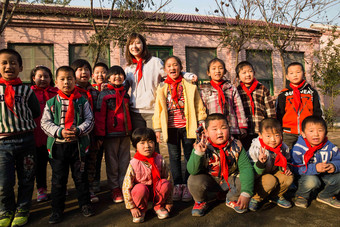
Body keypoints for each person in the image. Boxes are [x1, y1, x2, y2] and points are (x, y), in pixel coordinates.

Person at [41, 66, 95, 224]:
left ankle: (84, 204)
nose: (66, 82)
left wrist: (78, 130)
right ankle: (57, 210)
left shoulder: (82, 101)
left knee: (81, 177)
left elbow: (90, 120)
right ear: (56, 82)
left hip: (78, 146)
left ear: (75, 80)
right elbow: (45, 123)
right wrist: (59, 132)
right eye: (62, 79)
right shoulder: (51, 103)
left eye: (70, 79)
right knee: (58, 180)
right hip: (59, 146)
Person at [152, 56, 207, 202]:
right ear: (165, 70)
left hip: (188, 127)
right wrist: (157, 128)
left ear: (181, 68)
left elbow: (198, 104)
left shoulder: (189, 85)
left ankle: (189, 185)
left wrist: (202, 122)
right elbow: (158, 109)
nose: (172, 68)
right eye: (169, 66)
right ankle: (178, 185)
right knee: (174, 157)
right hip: (171, 128)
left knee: (189, 155)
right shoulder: (162, 87)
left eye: (175, 65)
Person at [0, 49, 40, 227]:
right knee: (4, 181)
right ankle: (5, 210)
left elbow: (35, 111)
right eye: (4, 63)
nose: (9, 66)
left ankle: (23, 208)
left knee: (26, 177)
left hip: (26, 140)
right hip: (2, 144)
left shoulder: (26, 90)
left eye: (13, 62)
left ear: (21, 67)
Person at [124, 33, 197, 131]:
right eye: (131, 44)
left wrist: (187, 75)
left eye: (138, 43)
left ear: (143, 45)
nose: (134, 46)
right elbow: (123, 87)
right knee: (139, 142)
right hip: (135, 112)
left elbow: (171, 74)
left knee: (153, 142)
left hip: (153, 110)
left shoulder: (155, 62)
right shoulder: (129, 68)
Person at [187, 113, 254, 217]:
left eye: (224, 128)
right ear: (206, 132)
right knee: (193, 179)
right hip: (210, 180)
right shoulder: (200, 145)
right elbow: (192, 170)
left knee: (244, 179)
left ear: (229, 128)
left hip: (229, 180)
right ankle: (200, 202)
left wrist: (246, 193)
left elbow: (246, 168)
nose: (220, 132)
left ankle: (231, 198)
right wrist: (198, 154)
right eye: (214, 129)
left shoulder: (237, 145)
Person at [95, 66, 132, 203]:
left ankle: (124, 185)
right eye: (114, 75)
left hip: (125, 134)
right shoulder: (104, 95)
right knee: (112, 162)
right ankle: (114, 188)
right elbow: (99, 116)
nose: (118, 77)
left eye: (120, 75)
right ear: (108, 78)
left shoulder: (125, 94)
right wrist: (100, 135)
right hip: (110, 135)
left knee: (124, 161)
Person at [122, 128, 173, 223]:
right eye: (142, 143)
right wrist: (132, 207)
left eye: (150, 142)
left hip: (157, 192)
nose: (147, 146)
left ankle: (158, 206)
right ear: (135, 145)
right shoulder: (133, 163)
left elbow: (169, 178)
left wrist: (169, 201)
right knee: (140, 188)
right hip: (141, 194)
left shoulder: (160, 159)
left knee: (165, 183)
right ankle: (141, 209)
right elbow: (126, 187)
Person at [291, 116, 340, 209]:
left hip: (325, 176)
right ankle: (302, 195)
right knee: (312, 181)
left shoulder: (330, 146)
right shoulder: (298, 148)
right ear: (303, 134)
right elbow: (295, 168)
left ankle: (326, 195)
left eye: (320, 130)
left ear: (326, 132)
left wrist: (334, 166)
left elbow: (339, 160)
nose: (316, 134)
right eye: (311, 131)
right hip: (305, 178)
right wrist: (315, 168)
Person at [248, 118, 293, 211]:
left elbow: (286, 160)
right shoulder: (256, 149)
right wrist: (260, 163)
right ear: (260, 135)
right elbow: (251, 173)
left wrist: (285, 167)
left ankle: (275, 196)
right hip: (258, 178)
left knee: (288, 177)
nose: (273, 140)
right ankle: (256, 198)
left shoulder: (283, 147)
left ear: (281, 134)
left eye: (277, 135)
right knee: (270, 180)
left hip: (272, 172)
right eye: (268, 136)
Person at [71, 59, 100, 203]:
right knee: (78, 164)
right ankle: (80, 190)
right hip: (76, 135)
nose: (84, 72)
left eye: (87, 69)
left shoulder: (94, 92)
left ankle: (89, 189)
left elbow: (99, 114)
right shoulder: (71, 92)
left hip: (93, 134)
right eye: (80, 69)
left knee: (91, 162)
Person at [276, 62, 323, 150]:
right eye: (291, 73)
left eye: (298, 72)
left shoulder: (312, 93)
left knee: (307, 154)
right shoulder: (283, 94)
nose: (295, 75)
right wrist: (279, 131)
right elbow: (279, 113)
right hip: (288, 132)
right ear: (287, 76)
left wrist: (317, 129)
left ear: (304, 74)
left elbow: (318, 112)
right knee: (286, 155)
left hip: (307, 131)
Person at [30, 65, 58, 202]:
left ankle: (58, 187)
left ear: (51, 78)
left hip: (54, 137)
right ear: (33, 78)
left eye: (46, 76)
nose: (43, 79)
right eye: (39, 76)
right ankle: (41, 189)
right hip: (36, 136)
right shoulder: (29, 93)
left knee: (57, 164)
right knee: (39, 165)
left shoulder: (57, 92)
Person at [200, 58, 247, 139]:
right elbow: (201, 110)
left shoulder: (231, 88)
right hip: (213, 128)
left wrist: (242, 126)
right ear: (208, 73)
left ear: (225, 71)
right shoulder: (204, 89)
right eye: (214, 68)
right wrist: (202, 126)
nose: (217, 71)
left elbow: (238, 108)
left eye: (220, 68)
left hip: (230, 126)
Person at [236, 61, 276, 151]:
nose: (247, 75)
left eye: (250, 71)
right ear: (238, 76)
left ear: (254, 73)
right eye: (244, 73)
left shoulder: (262, 88)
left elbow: (270, 109)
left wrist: (271, 125)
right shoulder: (237, 90)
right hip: (245, 130)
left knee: (262, 151)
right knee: (246, 152)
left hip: (260, 128)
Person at [91, 62, 108, 192]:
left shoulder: (111, 88)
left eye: (103, 72)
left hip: (110, 129)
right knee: (95, 157)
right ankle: (94, 181)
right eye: (97, 72)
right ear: (93, 75)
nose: (100, 75)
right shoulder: (90, 90)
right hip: (94, 130)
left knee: (110, 158)